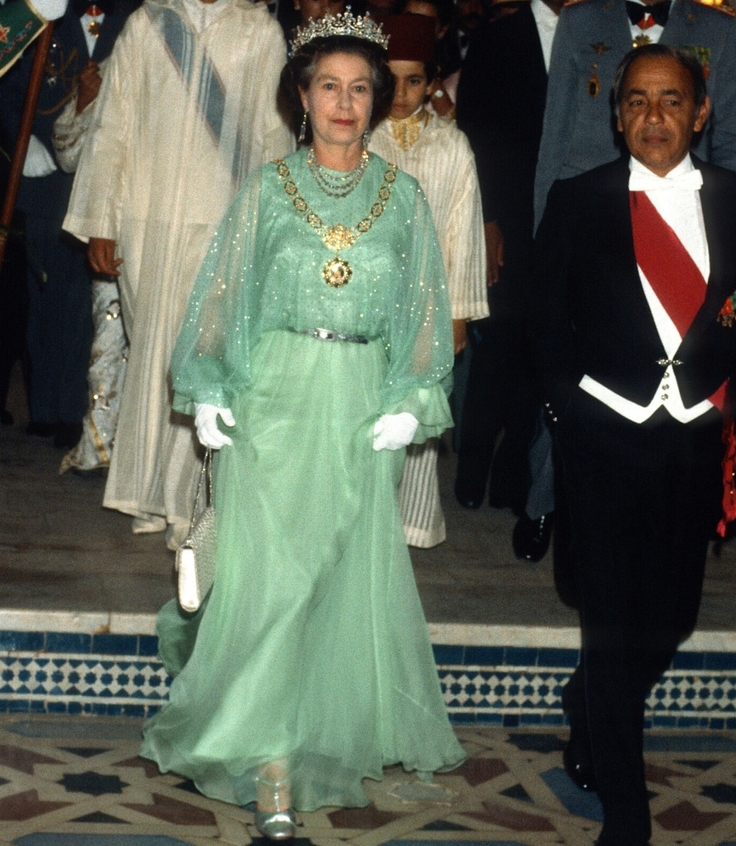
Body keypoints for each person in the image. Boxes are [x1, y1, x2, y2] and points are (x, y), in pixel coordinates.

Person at [139, 9, 466, 837]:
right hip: (273, 401)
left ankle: (311, 733)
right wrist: (209, 388)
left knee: (329, 583)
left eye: (362, 88)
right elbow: (221, 298)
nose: (345, 103)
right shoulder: (264, 191)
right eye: (330, 86)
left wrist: (413, 400)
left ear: (380, 100)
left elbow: (426, 315)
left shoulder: (404, 199)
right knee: (272, 582)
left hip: (360, 409)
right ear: (303, 95)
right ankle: (271, 760)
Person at [532, 45, 736, 845]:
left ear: (701, 113)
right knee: (609, 622)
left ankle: (587, 702)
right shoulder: (579, 199)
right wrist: (569, 406)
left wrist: (710, 386)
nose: (653, 117)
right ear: (616, 113)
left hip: (693, 438)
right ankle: (627, 816)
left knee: (670, 616)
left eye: (671, 101)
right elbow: (545, 319)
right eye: (636, 101)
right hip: (603, 435)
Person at [62, 0, 293, 549]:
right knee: (155, 355)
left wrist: (268, 224)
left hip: (223, 218)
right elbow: (113, 124)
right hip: (147, 218)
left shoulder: (259, 30)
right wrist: (101, 221)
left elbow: (274, 134)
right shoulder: (148, 24)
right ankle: (147, 492)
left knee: (203, 359)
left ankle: (190, 503)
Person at [369, 12, 487, 547]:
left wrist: (458, 311)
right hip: (366, 302)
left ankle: (410, 523)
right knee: (366, 408)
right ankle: (360, 519)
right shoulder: (360, 141)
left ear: (433, 81)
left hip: (427, 302)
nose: (401, 92)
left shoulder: (451, 147)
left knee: (414, 412)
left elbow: (464, 235)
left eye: (414, 80)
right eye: (389, 79)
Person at [1, 0, 132, 449]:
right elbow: (8, 88)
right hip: (47, 183)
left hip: (107, 183)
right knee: (46, 298)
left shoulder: (135, 24)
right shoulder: (43, 21)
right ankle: (45, 406)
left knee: (88, 306)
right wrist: (24, 143)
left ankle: (78, 412)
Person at [453, 0, 556, 525]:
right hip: (507, 220)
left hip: (564, 220)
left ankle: (513, 470)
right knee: (499, 344)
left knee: (546, 347)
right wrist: (488, 218)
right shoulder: (501, 36)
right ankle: (471, 466)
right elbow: (473, 130)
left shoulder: (595, 34)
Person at [534, 0, 736, 233]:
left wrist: (723, 215)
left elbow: (735, 137)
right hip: (591, 204)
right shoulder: (580, 18)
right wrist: (544, 225)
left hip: (682, 205)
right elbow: (554, 134)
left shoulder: (719, 26)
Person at [51, 57, 129, 475]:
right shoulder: (117, 64)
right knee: (109, 340)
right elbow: (67, 153)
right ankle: (98, 446)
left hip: (176, 229)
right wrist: (85, 102)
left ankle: (141, 454)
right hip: (115, 227)